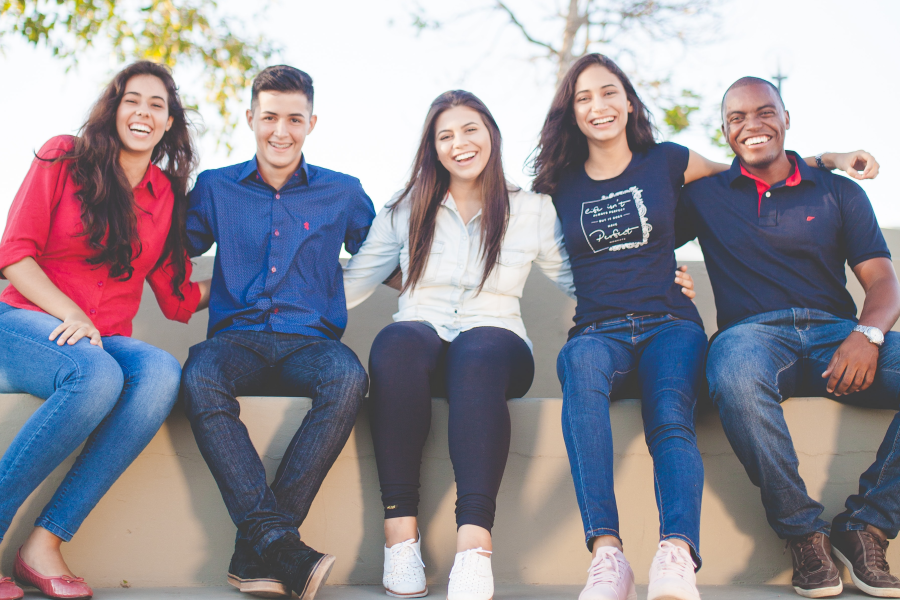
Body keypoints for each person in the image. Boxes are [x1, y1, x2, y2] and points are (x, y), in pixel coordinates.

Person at [530, 53, 876, 600]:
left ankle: (676, 554)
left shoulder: (669, 161)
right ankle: (607, 555)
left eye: (609, 92)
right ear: (570, 112)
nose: (599, 105)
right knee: (578, 369)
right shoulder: (557, 184)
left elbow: (754, 168)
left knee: (669, 414)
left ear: (628, 100)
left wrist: (827, 159)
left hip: (671, 322)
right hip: (597, 330)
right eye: (584, 97)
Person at [680, 76, 900, 599]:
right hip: (751, 338)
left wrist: (868, 335)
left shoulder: (838, 191)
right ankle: (804, 535)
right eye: (737, 118)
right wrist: (665, 276)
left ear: (785, 118)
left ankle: (867, 525)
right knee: (731, 372)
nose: (751, 125)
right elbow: (646, 196)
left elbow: (883, 281)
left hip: (839, 337)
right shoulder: (704, 197)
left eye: (764, 112)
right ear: (725, 131)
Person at [0, 61, 209, 600]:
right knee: (96, 377)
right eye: (132, 100)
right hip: (26, 318)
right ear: (114, 109)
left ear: (168, 124)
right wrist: (69, 312)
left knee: (161, 372)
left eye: (156, 105)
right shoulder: (62, 156)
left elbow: (177, 296)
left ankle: (43, 544)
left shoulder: (165, 195)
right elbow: (14, 256)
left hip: (102, 337)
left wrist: (261, 281)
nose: (143, 112)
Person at [180, 65, 375, 600]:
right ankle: (282, 546)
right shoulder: (216, 187)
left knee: (348, 377)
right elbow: (168, 248)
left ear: (312, 122)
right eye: (269, 117)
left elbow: (389, 254)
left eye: (294, 118)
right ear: (250, 118)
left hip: (312, 343)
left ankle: (261, 546)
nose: (281, 131)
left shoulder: (344, 192)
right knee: (198, 375)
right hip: (235, 340)